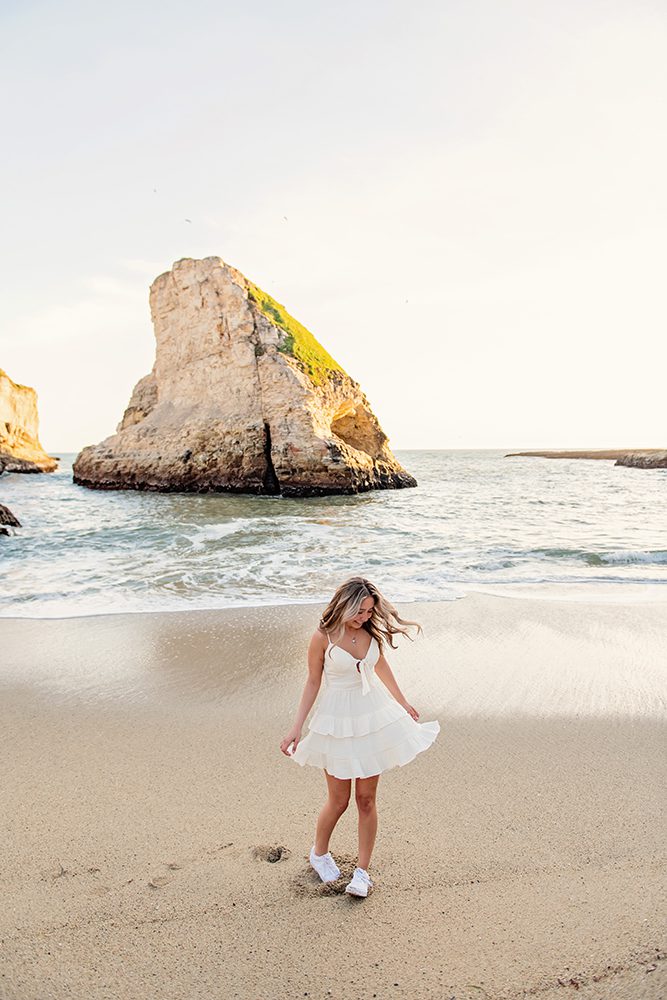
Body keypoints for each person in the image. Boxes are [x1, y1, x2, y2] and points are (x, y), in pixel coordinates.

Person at [279, 576, 440, 897]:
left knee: (366, 800)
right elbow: (312, 683)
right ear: (344, 604)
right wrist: (297, 727)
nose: (364, 617)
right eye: (360, 611)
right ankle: (319, 854)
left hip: (371, 718)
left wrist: (402, 701)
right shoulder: (323, 637)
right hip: (336, 720)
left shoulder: (370, 633)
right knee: (339, 801)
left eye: (369, 611)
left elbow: (381, 668)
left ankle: (362, 872)